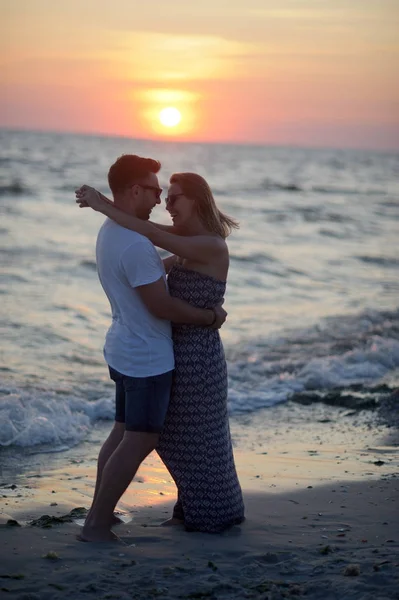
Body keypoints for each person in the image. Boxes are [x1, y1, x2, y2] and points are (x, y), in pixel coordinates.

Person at [76, 167, 245, 534]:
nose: (166, 205)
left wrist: (103, 205)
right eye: (163, 196)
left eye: (173, 198)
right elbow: (157, 255)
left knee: (198, 439)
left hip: (197, 358)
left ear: (197, 200)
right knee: (175, 439)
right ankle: (183, 511)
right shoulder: (186, 242)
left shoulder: (210, 244)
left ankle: (206, 512)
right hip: (173, 351)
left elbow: (149, 233)